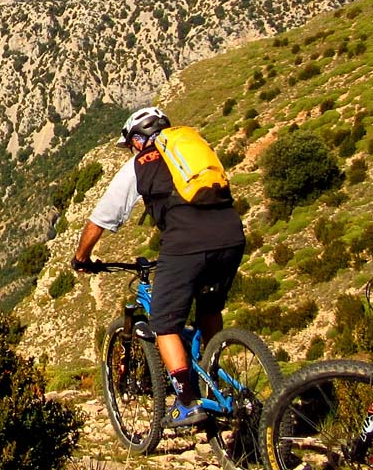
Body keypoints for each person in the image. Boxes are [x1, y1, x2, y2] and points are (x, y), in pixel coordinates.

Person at [73, 107, 247, 426]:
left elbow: (101, 219)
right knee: (208, 309)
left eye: (130, 145)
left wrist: (81, 257)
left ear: (138, 139)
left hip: (186, 243)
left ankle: (185, 401)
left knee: (164, 324)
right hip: (231, 235)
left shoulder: (140, 165)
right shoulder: (194, 151)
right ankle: (215, 379)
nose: (132, 151)